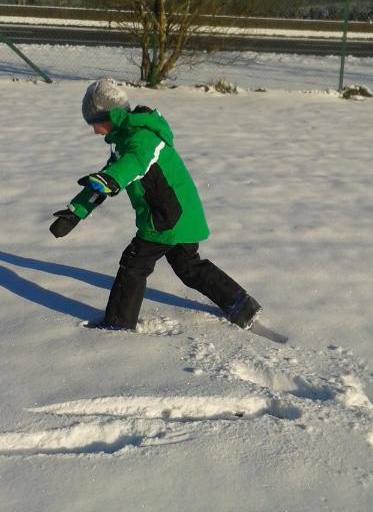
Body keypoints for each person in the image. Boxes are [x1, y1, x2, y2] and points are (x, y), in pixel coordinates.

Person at [50, 78, 262, 331]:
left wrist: (111, 180)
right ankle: (241, 304)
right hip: (177, 215)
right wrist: (75, 213)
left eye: (96, 123)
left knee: (134, 264)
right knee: (188, 266)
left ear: (111, 116)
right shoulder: (126, 141)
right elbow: (110, 174)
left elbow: (134, 165)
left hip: (166, 217)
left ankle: (118, 323)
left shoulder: (143, 138)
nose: (94, 130)